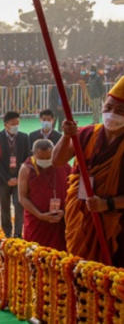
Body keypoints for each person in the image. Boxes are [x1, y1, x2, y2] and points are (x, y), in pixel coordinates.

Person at [53, 76, 124, 265]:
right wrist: (66, 137)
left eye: (120, 111)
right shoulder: (86, 134)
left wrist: (107, 204)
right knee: (80, 270)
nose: (111, 114)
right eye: (108, 107)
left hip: (116, 223)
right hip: (82, 215)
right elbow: (57, 161)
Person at [18, 139, 71, 250]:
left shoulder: (62, 165)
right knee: (36, 255)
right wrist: (40, 215)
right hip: (36, 221)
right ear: (33, 153)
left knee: (59, 255)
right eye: (41, 158)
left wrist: (65, 211)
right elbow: (22, 198)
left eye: (48, 158)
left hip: (59, 221)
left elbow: (72, 190)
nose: (45, 161)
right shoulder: (27, 169)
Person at [0, 111, 30, 239]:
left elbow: (27, 158)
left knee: (19, 204)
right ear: (6, 125)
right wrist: (7, 178)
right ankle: (7, 232)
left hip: (19, 179)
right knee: (4, 206)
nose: (16, 126)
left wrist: (19, 177)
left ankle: (18, 234)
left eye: (18, 123)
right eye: (13, 124)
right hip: (2, 179)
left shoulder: (23, 137)